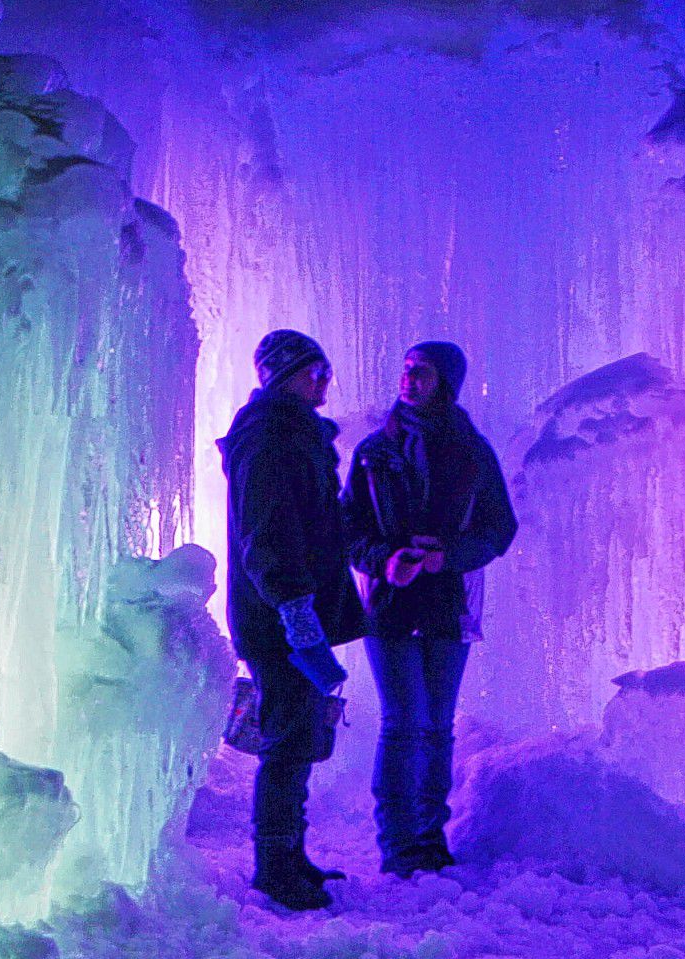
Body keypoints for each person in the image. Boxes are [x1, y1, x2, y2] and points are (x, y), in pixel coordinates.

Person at [344, 340, 518, 877]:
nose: (409, 380)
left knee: (437, 725)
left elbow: (499, 528)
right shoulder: (374, 452)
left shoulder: (472, 452)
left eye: (421, 372)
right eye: (405, 370)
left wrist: (447, 557)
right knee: (403, 722)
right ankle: (398, 842)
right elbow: (350, 530)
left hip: (448, 605)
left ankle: (429, 837)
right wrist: (384, 560)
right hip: (391, 605)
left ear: (445, 381)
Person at [219, 330, 366, 911]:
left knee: (300, 734)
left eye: (324, 370)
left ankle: (288, 856)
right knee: (289, 738)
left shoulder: (291, 434)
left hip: (289, 610)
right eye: (312, 372)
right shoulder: (272, 437)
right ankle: (275, 868)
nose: (322, 381)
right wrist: (295, 608)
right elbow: (267, 533)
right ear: (283, 377)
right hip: (279, 615)